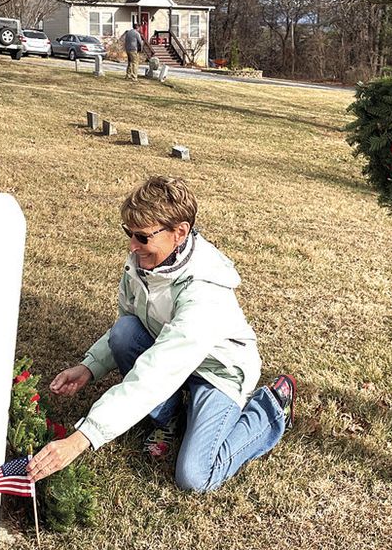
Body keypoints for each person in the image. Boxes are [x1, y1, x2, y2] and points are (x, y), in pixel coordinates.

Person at [27, 175, 296, 492]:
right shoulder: (142, 261)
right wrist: (90, 366)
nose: (132, 245)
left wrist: (82, 438)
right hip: (170, 356)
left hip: (218, 372)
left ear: (179, 232)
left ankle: (271, 408)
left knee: (195, 476)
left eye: (142, 237)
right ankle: (169, 417)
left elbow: (156, 373)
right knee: (124, 332)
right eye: (128, 233)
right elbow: (129, 321)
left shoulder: (204, 293)